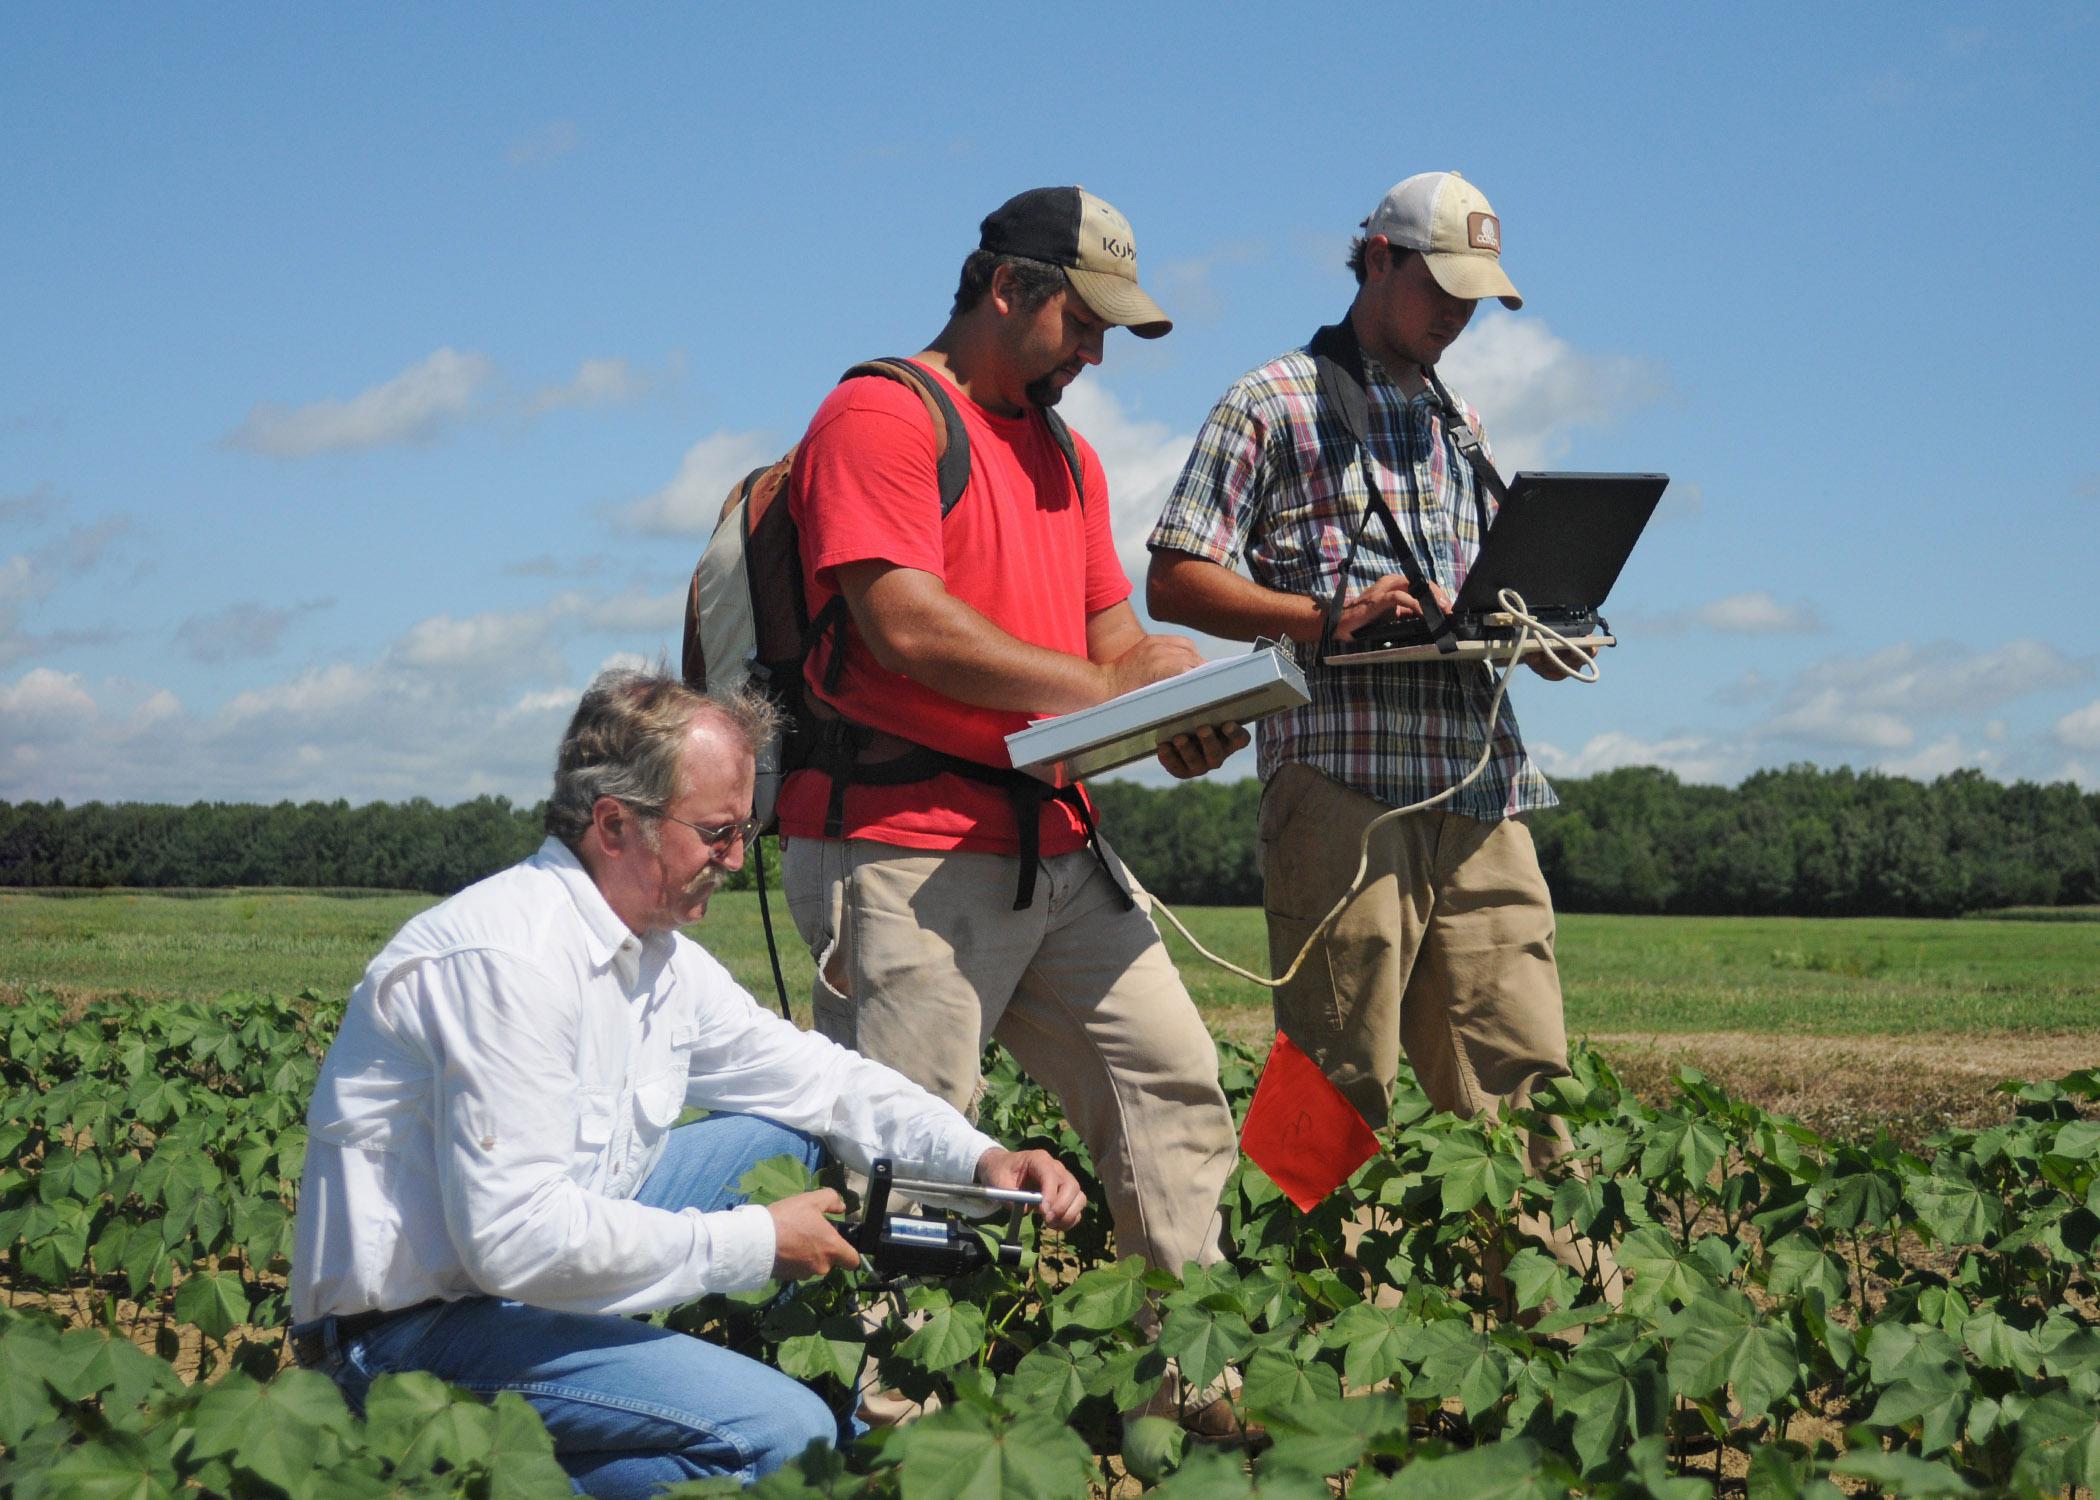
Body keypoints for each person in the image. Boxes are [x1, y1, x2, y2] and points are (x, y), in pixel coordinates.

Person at [289, 668, 1085, 1496]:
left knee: (782, 1133)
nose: (737, 860)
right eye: (716, 833)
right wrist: (752, 1245)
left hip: (513, 1290)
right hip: (403, 1339)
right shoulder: (511, 962)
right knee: (785, 1434)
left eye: (747, 830)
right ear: (614, 824)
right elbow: (514, 1242)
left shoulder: (660, 961)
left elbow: (824, 1083)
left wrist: (982, 1159)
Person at [773, 187, 1248, 1430]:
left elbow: (1109, 638)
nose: (1094, 355)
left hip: (1053, 842)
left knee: (1174, 1086)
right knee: (917, 1160)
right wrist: (1106, 684)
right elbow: (906, 623)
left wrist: (1169, 703)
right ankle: (898, 1422)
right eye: (1082, 325)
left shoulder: (1069, 456)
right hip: (902, 849)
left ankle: (1190, 1385)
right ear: (1007, 290)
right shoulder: (880, 413)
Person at [1145, 171, 1612, 1294]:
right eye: (1440, 286)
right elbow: (1173, 576)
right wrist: (1322, 616)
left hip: (1481, 780)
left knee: (1525, 1062)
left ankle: (1557, 1317)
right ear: (1376, 263)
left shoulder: (1463, 421)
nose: (1456, 313)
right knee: (1335, 1068)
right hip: (1343, 785)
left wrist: (1539, 628)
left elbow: (1477, 589)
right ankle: (1317, 1321)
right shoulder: (1272, 399)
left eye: (1475, 297)